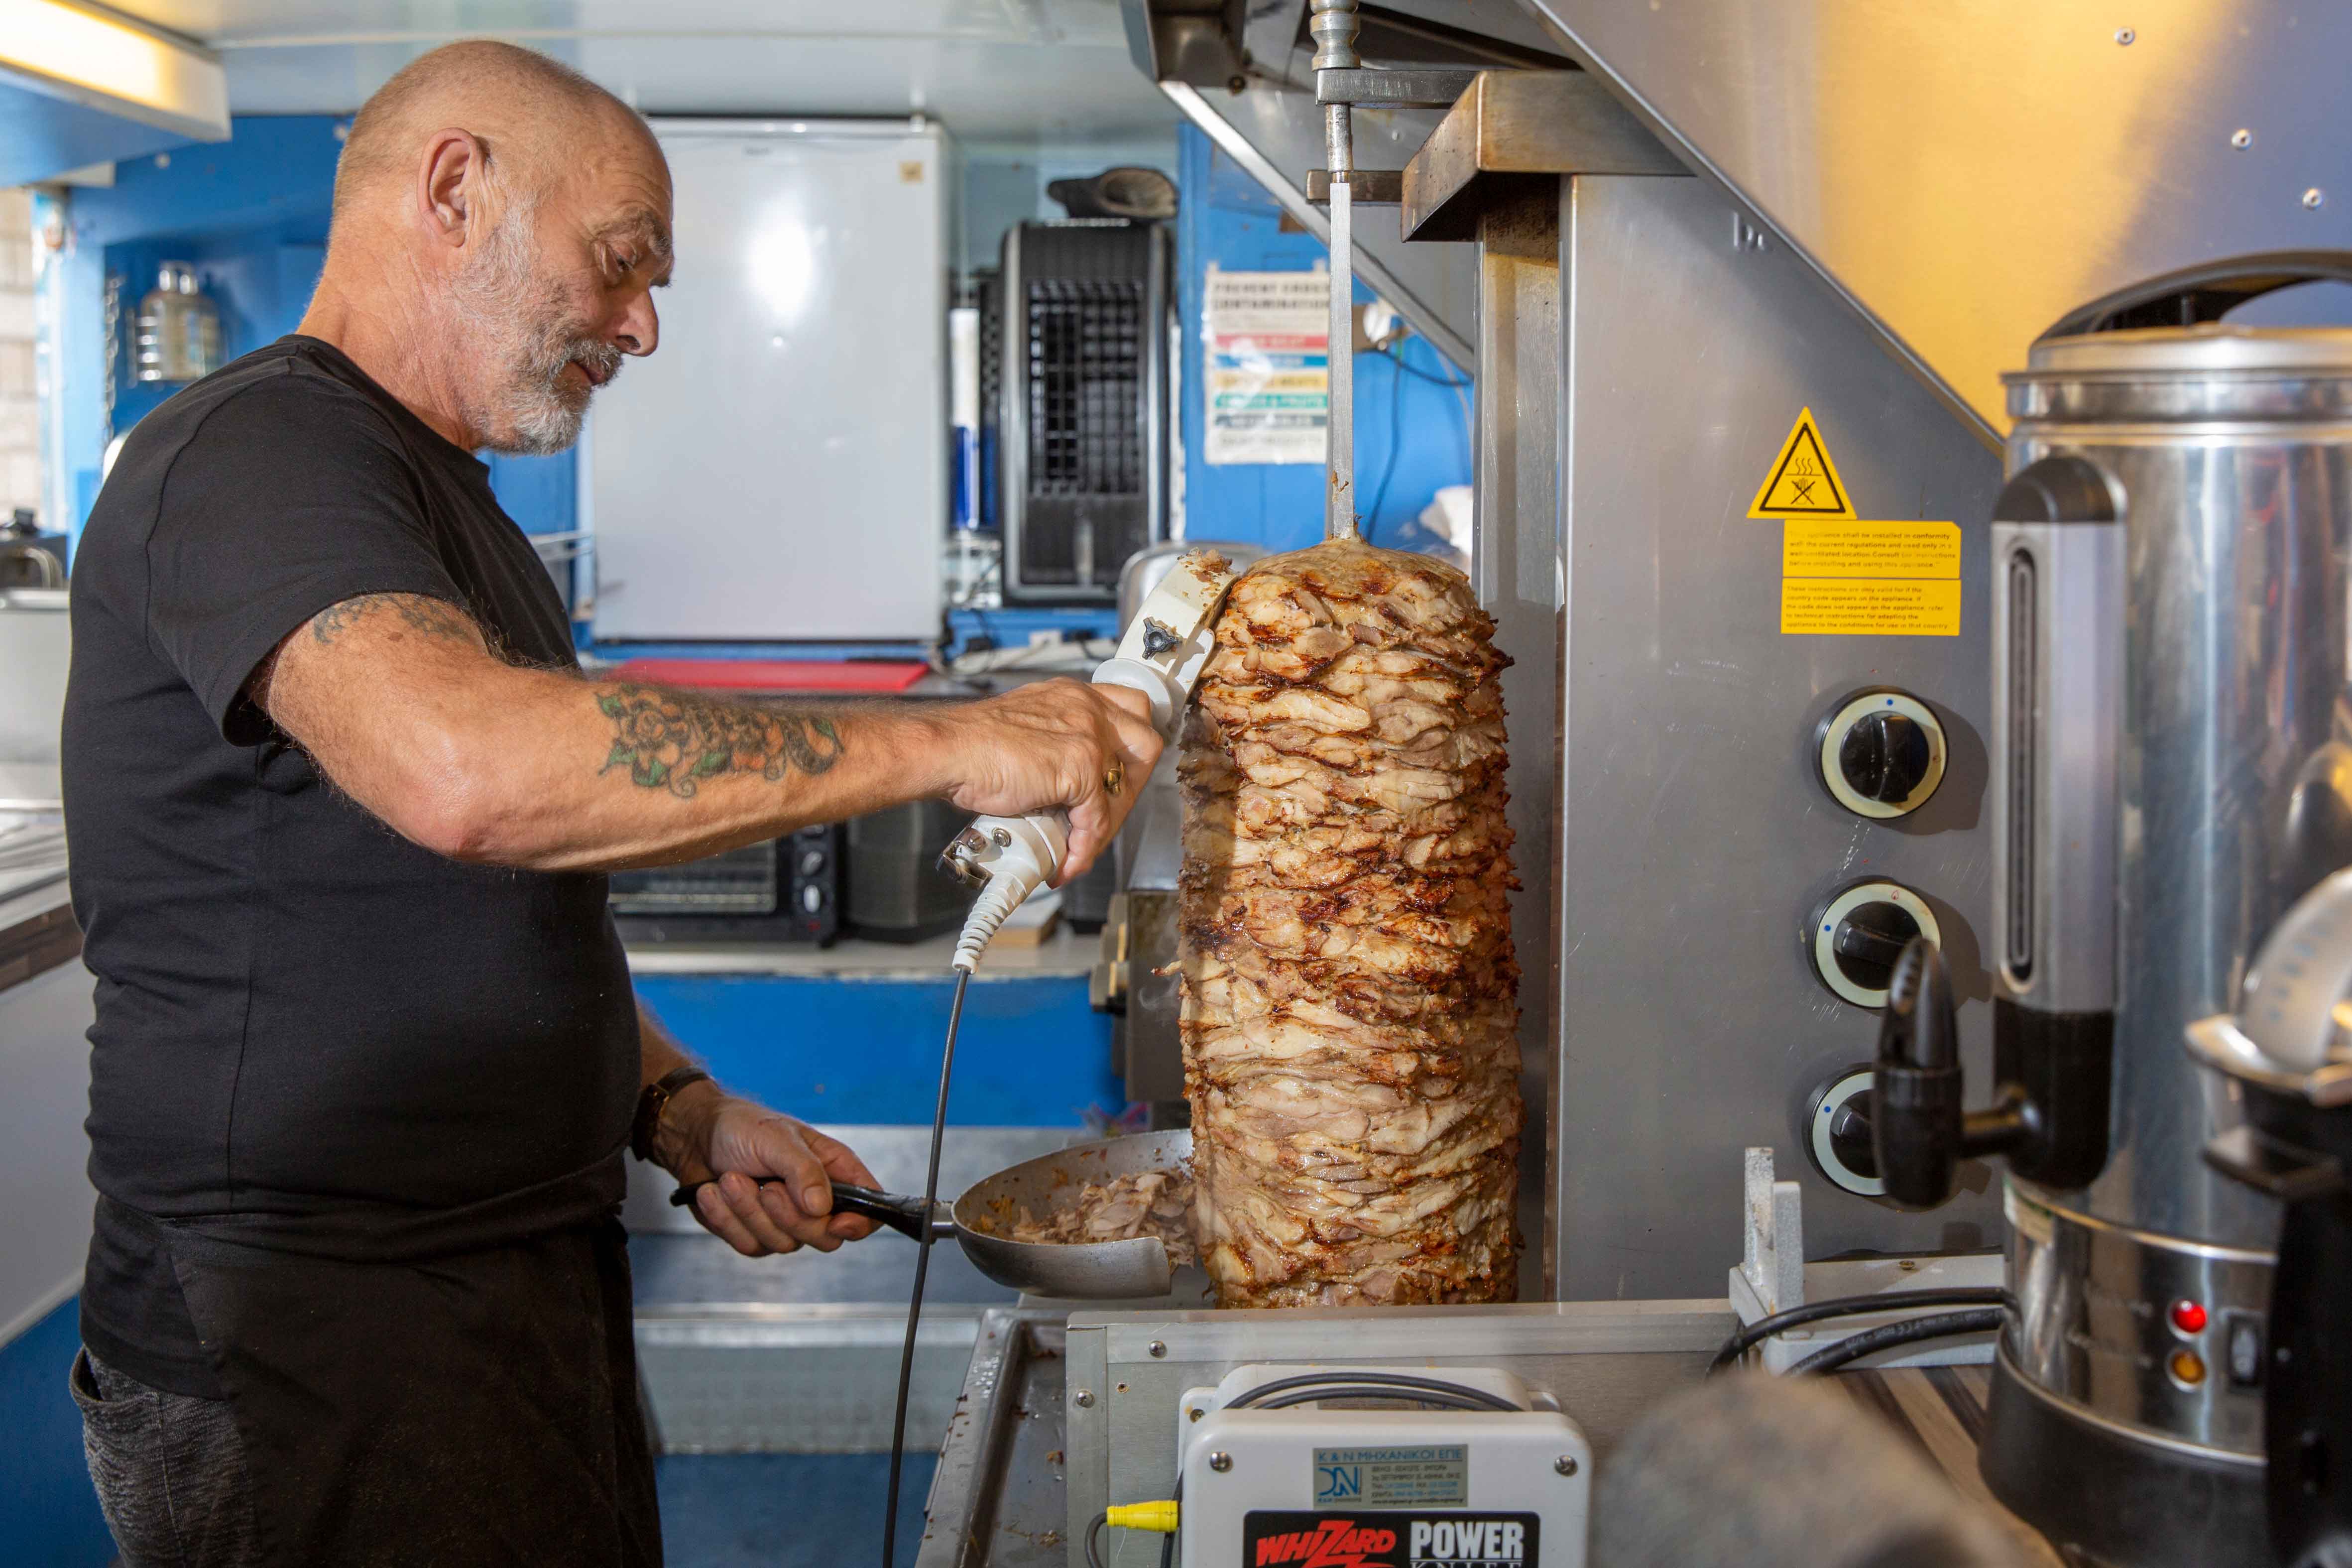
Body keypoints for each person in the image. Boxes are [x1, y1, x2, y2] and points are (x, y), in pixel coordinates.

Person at [61, 39, 1161, 1567]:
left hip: (513, 1285)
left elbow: (485, 902)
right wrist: (950, 745)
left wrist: (678, 1109)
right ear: (455, 190)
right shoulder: (255, 451)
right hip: (315, 1339)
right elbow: (469, 774)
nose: (642, 324)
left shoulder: (446, 503)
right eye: (620, 262)